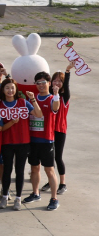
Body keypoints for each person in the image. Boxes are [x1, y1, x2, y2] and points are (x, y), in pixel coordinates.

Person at [0, 77, 41, 210]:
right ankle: (5, 196)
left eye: (12, 88)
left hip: (23, 142)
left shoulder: (23, 102)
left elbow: (39, 114)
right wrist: (11, 122)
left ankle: (18, 198)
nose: (10, 90)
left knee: (20, 171)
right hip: (7, 142)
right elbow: (1, 128)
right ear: (3, 90)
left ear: (16, 89)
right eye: (7, 88)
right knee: (7, 170)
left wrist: (33, 99)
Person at [23, 71, 61, 211]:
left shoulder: (52, 98)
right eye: (37, 83)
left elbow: (56, 107)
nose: (40, 85)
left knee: (49, 170)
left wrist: (56, 93)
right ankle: (35, 193)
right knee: (34, 168)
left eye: (43, 82)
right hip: (32, 140)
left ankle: (54, 198)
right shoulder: (32, 98)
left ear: (49, 83)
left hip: (46, 141)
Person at [41, 62, 74, 195]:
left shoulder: (64, 96)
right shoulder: (49, 95)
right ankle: (51, 180)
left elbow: (66, 86)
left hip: (60, 130)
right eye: (55, 80)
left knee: (58, 157)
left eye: (60, 81)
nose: (57, 82)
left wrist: (67, 71)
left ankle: (63, 183)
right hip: (49, 129)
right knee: (50, 156)